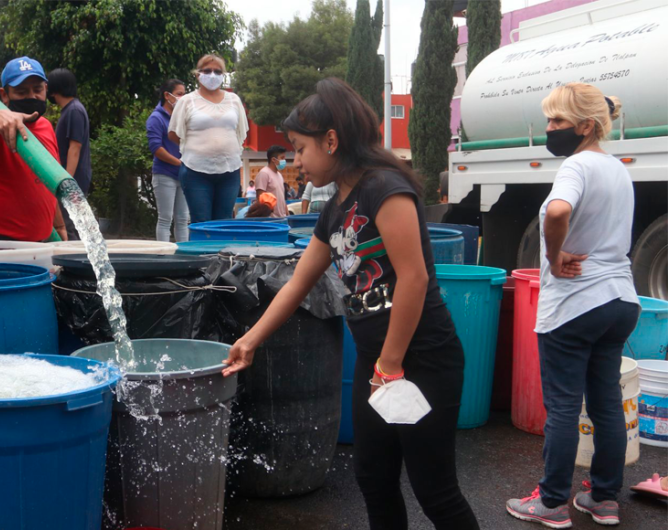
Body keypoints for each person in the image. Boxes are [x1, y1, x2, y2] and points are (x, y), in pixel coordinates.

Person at [222, 78, 480, 530]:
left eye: (301, 148)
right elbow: (298, 283)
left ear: (332, 140)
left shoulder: (385, 188)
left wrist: (392, 363)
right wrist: (250, 339)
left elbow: (415, 278)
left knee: (434, 491)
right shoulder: (335, 207)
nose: (297, 160)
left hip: (422, 359)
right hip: (375, 362)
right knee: (374, 479)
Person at [506, 83, 639, 529]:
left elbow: (557, 213)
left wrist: (555, 253)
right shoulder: (617, 168)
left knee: (564, 407)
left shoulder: (577, 165)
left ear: (585, 126)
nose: (549, 129)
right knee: (605, 405)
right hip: (620, 301)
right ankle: (603, 500)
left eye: (558, 121)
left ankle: (551, 503)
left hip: (577, 304)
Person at [0, 57, 67, 241]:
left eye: (37, 89)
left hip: (42, 242)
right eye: (22, 91)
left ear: (46, 88)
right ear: (5, 94)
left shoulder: (46, 126)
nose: (32, 96)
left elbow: (47, 179)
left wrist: (60, 225)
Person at [168, 53, 249, 223]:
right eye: (207, 70)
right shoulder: (187, 101)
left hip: (230, 170)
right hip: (195, 171)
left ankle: (222, 251)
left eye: (218, 72)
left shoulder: (234, 100)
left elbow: (240, 132)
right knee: (201, 222)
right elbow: (173, 133)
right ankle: (200, 251)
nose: (213, 75)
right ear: (198, 74)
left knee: (224, 222)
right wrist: (196, 148)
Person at [48, 68, 91, 240]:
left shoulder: (74, 110)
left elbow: (75, 148)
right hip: (70, 178)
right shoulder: (69, 109)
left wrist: (67, 182)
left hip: (73, 179)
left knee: (70, 225)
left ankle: (73, 264)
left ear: (55, 88)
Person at [147, 78, 190, 242]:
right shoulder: (156, 118)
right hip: (164, 174)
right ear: (167, 95)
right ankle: (163, 256)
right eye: (179, 94)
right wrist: (180, 163)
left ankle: (183, 256)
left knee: (182, 219)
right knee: (165, 219)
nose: (182, 98)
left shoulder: (182, 117)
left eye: (184, 94)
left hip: (183, 175)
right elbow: (157, 149)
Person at [254, 145, 289, 218]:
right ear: (273, 159)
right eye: (282, 158)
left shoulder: (279, 175)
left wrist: (287, 214)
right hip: (271, 218)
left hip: (282, 217)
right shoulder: (264, 173)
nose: (284, 161)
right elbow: (260, 198)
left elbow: (281, 197)